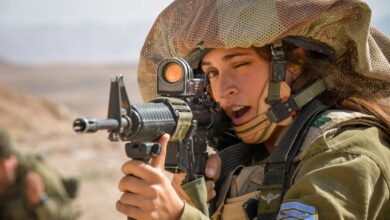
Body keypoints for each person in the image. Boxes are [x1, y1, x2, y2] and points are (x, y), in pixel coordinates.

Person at [116, 0, 390, 219]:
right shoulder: (248, 159)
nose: (223, 90)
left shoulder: (345, 150)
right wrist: (196, 203)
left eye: (240, 64)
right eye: (212, 73)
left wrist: (178, 216)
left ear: (294, 64)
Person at [0, 129, 80, 220]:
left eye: (8, 158)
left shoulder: (34, 172)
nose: (6, 167)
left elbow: (70, 213)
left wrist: (41, 202)